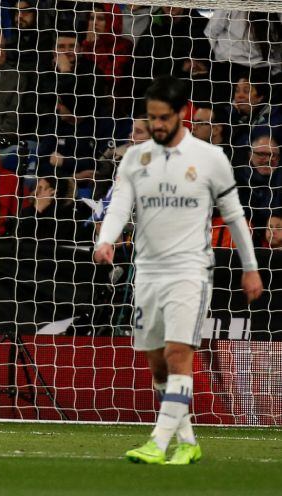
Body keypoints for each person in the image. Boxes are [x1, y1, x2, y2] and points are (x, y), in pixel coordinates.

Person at [94, 76, 262, 464]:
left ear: (182, 114)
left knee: (177, 354)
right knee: (157, 361)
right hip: (147, 271)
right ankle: (188, 441)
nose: (156, 126)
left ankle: (158, 441)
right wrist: (105, 239)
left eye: (163, 118)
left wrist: (250, 267)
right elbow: (120, 203)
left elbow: (235, 216)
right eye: (151, 118)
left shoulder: (209, 158)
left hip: (191, 270)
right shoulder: (136, 158)